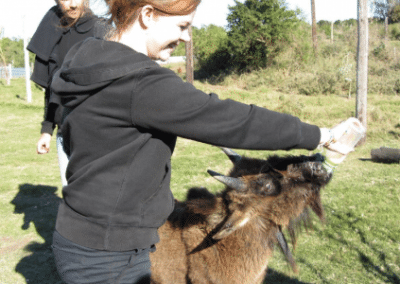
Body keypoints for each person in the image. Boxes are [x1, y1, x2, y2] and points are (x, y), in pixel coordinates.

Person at [50, 0, 351, 283]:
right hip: (111, 254)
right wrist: (322, 135)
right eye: (182, 26)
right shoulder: (139, 84)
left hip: (80, 235)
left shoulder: (87, 65)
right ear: (147, 16)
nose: (187, 38)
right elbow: (231, 120)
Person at [28, 0, 107, 186]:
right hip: (64, 133)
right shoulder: (53, 31)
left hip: (96, 134)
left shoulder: (103, 31)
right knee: (70, 196)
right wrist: (47, 130)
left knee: (95, 199)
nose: (71, 4)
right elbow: (52, 87)